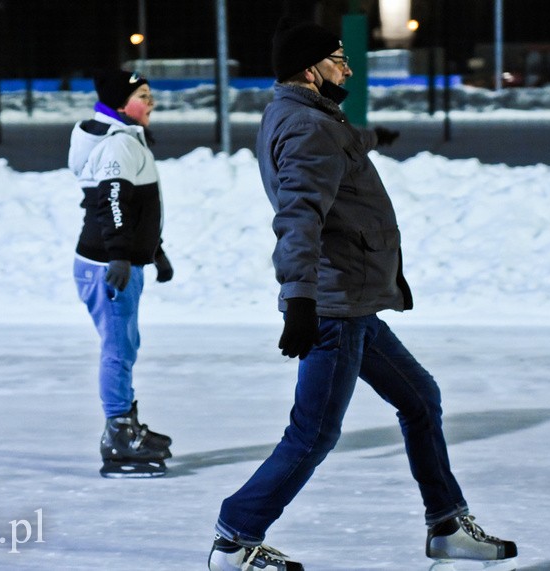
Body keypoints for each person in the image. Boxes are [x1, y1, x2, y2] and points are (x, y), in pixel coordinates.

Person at [208, 18, 517, 571]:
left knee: (420, 399)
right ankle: (236, 537)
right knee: (314, 434)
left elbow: (335, 150)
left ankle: (445, 525)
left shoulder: (303, 115)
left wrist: (375, 138)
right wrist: (299, 299)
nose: (347, 68)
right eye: (338, 58)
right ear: (311, 69)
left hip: (350, 300)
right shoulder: (310, 128)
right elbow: (298, 215)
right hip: (334, 305)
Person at [69, 69, 174, 478]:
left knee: (125, 345)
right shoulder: (119, 146)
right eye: (143, 95)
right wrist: (119, 256)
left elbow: (136, 211)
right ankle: (118, 435)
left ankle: (127, 426)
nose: (151, 103)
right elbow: (113, 202)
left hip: (119, 261)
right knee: (117, 349)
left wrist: (155, 252)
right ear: (119, 104)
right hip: (108, 267)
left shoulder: (126, 140)